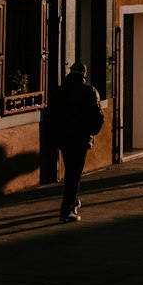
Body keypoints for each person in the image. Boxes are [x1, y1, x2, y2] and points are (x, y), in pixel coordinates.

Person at [49, 61, 104, 223]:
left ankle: (73, 201)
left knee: (71, 171)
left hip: (64, 139)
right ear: (84, 75)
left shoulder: (59, 91)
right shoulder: (89, 91)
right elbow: (98, 117)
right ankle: (66, 211)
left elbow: (53, 116)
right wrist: (90, 131)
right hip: (80, 139)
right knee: (74, 174)